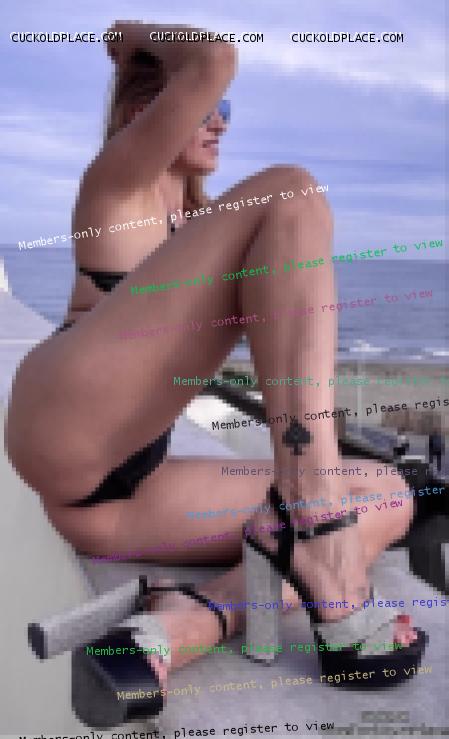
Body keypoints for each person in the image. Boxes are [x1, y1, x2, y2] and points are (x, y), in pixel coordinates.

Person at [5, 20, 425, 724]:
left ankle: (189, 620)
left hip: (111, 503)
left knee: (388, 493)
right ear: (147, 113)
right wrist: (130, 37)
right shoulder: (118, 186)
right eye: (207, 110)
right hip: (65, 417)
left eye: (225, 112)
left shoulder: (199, 228)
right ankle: (312, 519)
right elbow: (214, 57)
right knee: (292, 192)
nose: (221, 124)